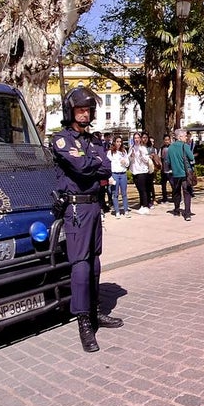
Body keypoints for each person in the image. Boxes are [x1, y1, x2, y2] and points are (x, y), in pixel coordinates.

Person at [50, 87, 123, 352]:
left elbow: (106, 167)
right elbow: (81, 168)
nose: (84, 114)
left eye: (88, 110)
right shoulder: (61, 140)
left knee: (94, 262)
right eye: (80, 110)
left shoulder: (94, 140)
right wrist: (92, 163)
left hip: (93, 206)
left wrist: (91, 162)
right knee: (80, 264)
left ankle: (94, 311)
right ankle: (83, 322)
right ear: (70, 112)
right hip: (76, 209)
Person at [167, 129, 195, 221]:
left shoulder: (170, 147)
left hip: (175, 174)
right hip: (185, 173)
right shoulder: (185, 146)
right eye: (185, 136)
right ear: (179, 137)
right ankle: (187, 214)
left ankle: (176, 210)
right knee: (187, 193)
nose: (186, 138)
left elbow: (168, 161)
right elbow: (191, 157)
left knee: (176, 192)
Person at [129, 132, 154, 214]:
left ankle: (145, 205)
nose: (136, 139)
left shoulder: (143, 148)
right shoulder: (132, 148)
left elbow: (146, 160)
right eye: (135, 138)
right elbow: (128, 160)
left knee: (143, 189)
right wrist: (131, 156)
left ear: (140, 139)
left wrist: (141, 154)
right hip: (135, 171)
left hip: (142, 171)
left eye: (138, 138)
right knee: (139, 189)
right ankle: (142, 205)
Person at [106, 136, 130, 218]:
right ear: (114, 142)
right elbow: (107, 164)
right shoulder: (110, 152)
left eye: (120, 142)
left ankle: (126, 210)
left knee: (124, 193)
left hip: (123, 174)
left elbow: (127, 163)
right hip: (115, 174)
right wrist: (110, 176)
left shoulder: (124, 151)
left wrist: (125, 162)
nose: (119, 143)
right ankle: (117, 211)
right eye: (117, 141)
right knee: (115, 193)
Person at [157, 134, 172, 204]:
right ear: (163, 141)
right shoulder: (162, 148)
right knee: (163, 185)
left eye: (168, 140)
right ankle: (164, 198)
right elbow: (159, 157)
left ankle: (175, 197)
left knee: (173, 185)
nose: (167, 141)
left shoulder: (172, 148)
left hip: (171, 170)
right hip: (164, 169)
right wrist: (161, 165)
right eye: (165, 140)